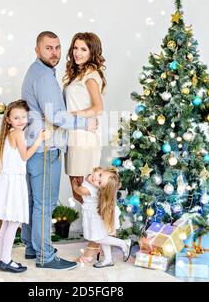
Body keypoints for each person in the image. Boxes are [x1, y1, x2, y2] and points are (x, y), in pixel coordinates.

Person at [20, 31, 98, 270]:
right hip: (45, 148)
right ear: (37, 50)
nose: (54, 52)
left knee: (34, 201)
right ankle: (46, 255)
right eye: (48, 48)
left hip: (35, 147)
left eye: (57, 47)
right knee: (44, 204)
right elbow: (55, 116)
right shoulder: (43, 76)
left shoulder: (37, 71)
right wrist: (85, 123)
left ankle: (32, 248)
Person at [0, 100, 50, 273]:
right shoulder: (18, 134)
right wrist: (39, 140)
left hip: (8, 180)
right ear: (8, 119)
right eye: (16, 117)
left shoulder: (11, 133)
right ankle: (6, 260)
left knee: (7, 222)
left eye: (23, 116)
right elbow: (25, 155)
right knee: (13, 222)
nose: (21, 120)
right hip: (13, 182)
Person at [63, 32, 106, 263]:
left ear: (92, 53)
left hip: (85, 139)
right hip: (74, 137)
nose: (78, 53)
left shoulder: (90, 74)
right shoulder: (76, 74)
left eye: (83, 49)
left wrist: (70, 115)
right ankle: (100, 236)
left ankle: (95, 244)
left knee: (86, 192)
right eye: (76, 48)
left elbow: (98, 107)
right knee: (77, 191)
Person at [71, 167, 132, 268]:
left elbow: (78, 190)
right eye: (100, 175)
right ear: (100, 170)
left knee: (98, 238)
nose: (95, 179)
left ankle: (123, 243)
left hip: (95, 216)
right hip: (96, 214)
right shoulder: (90, 177)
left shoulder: (90, 189)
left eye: (99, 183)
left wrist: (74, 182)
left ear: (101, 188)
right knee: (102, 236)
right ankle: (108, 259)